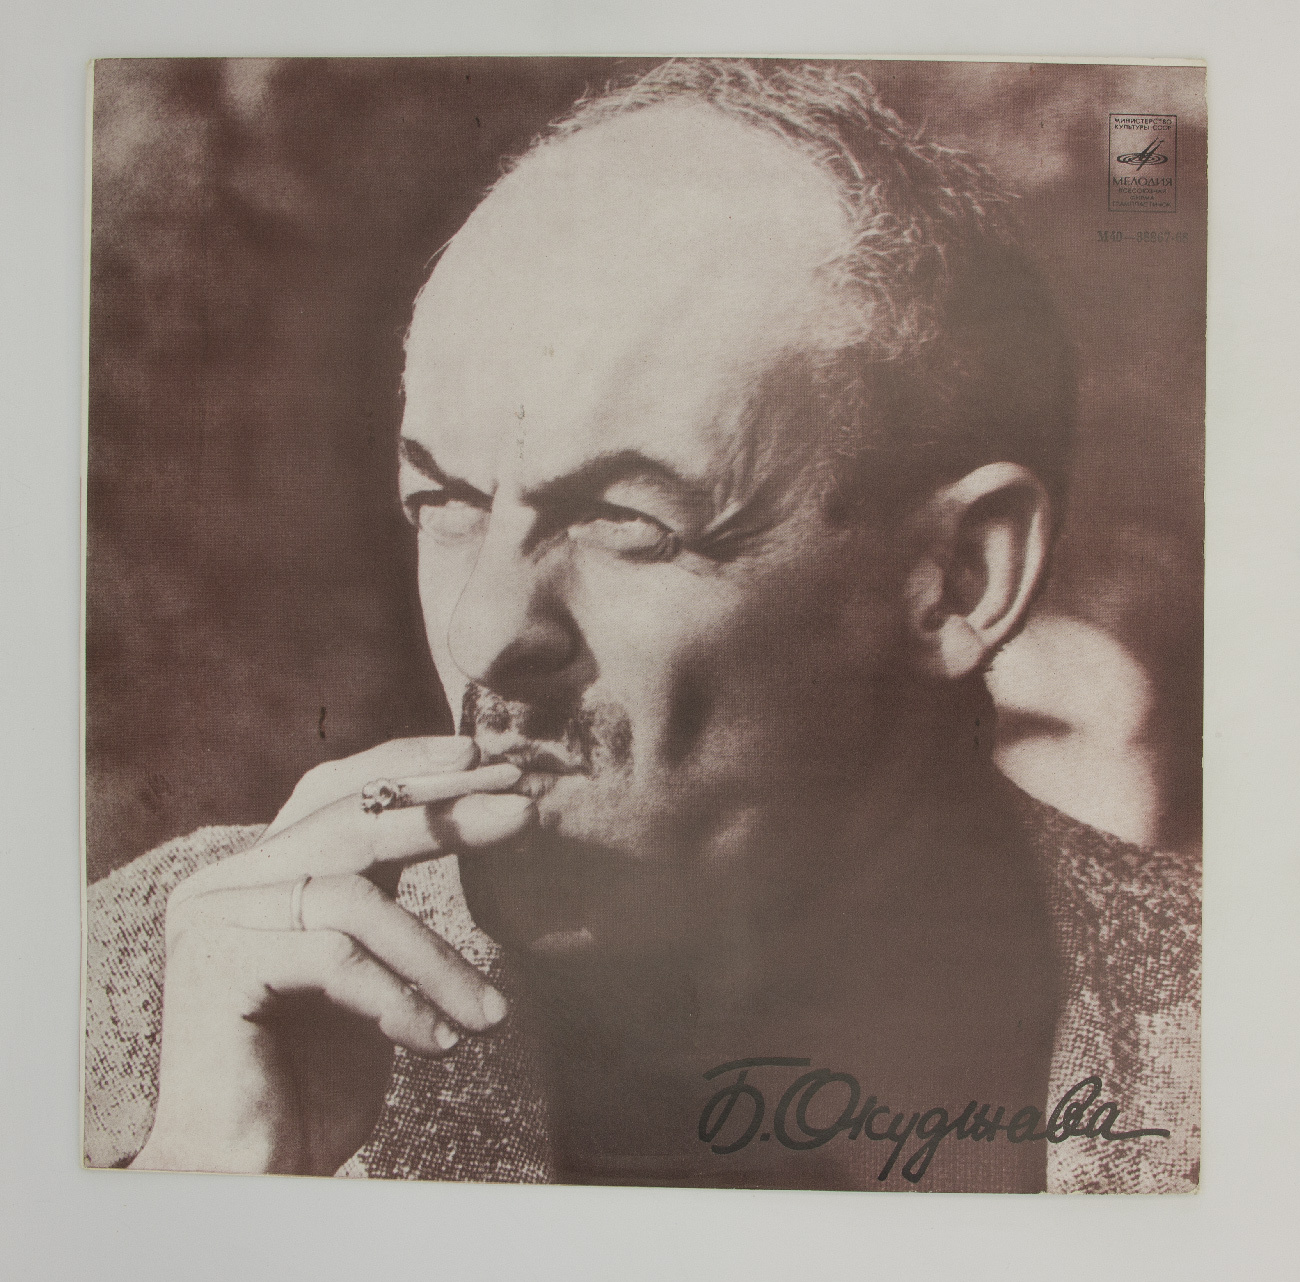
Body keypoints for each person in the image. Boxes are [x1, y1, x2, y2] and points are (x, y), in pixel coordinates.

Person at [84, 60, 1200, 1193]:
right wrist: (203, 1197)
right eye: (446, 503)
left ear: (958, 578)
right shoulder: (161, 999)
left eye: (626, 521)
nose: (483, 634)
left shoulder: (1242, 1041)